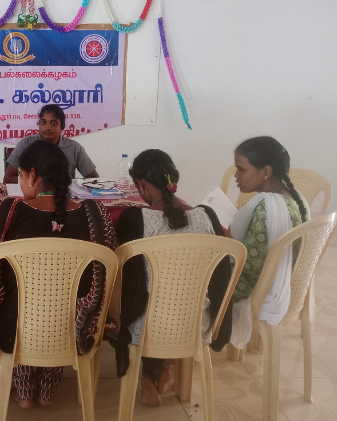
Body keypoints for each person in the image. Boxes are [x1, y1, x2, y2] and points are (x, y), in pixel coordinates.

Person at [0, 139, 116, 409]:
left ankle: (24, 389)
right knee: (64, 301)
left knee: (17, 301)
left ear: (33, 175)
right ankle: (48, 387)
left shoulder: (9, 211)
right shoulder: (95, 213)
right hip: (75, 329)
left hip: (16, 328)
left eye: (21, 176)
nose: (21, 184)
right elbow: (107, 273)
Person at [111, 149, 233, 407]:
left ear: (141, 185)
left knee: (135, 303)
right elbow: (221, 280)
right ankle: (166, 366)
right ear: (175, 179)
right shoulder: (207, 217)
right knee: (168, 303)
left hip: (147, 329)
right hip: (196, 324)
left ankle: (147, 377)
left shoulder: (135, 219)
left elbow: (127, 288)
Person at [228, 136, 309, 349]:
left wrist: (226, 241)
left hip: (258, 291)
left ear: (266, 171)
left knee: (189, 276)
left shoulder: (267, 206)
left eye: (241, 169)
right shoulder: (296, 198)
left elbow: (250, 268)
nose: (236, 175)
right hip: (281, 286)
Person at [3, 104, 99, 183]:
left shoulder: (74, 148)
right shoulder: (26, 144)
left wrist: (76, 185)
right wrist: (41, 184)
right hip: (32, 195)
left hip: (62, 196)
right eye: (43, 122)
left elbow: (94, 179)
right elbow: (8, 178)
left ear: (62, 127)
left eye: (53, 123)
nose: (48, 127)